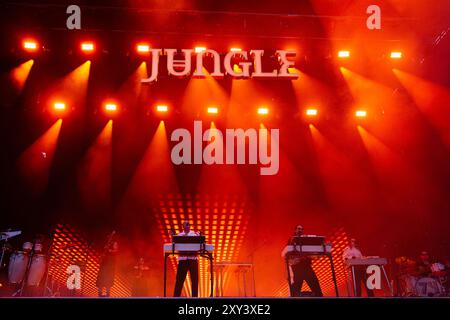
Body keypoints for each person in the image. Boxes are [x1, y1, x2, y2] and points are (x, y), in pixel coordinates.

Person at [287, 225, 323, 297]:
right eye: (298, 229)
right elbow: (288, 253)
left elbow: (311, 253)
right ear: (295, 230)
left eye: (301, 229)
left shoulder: (306, 240)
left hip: (306, 266)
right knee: (295, 291)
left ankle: (319, 296)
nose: (300, 230)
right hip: (297, 268)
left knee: (316, 286)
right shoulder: (291, 240)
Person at [173, 221, 200, 297]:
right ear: (183, 226)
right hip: (183, 260)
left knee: (194, 280)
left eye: (189, 224)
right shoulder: (179, 235)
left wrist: (199, 236)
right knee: (179, 280)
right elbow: (175, 246)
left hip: (193, 259)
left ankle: (194, 297)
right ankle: (175, 297)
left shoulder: (194, 235)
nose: (188, 226)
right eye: (186, 224)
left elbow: (199, 244)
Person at [96, 232, 118, 297]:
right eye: (107, 236)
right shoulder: (105, 243)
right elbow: (102, 252)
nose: (108, 237)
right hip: (103, 264)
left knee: (108, 280)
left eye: (109, 235)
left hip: (110, 265)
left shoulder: (114, 243)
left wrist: (109, 250)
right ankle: (100, 295)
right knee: (101, 280)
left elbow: (116, 250)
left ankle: (107, 295)